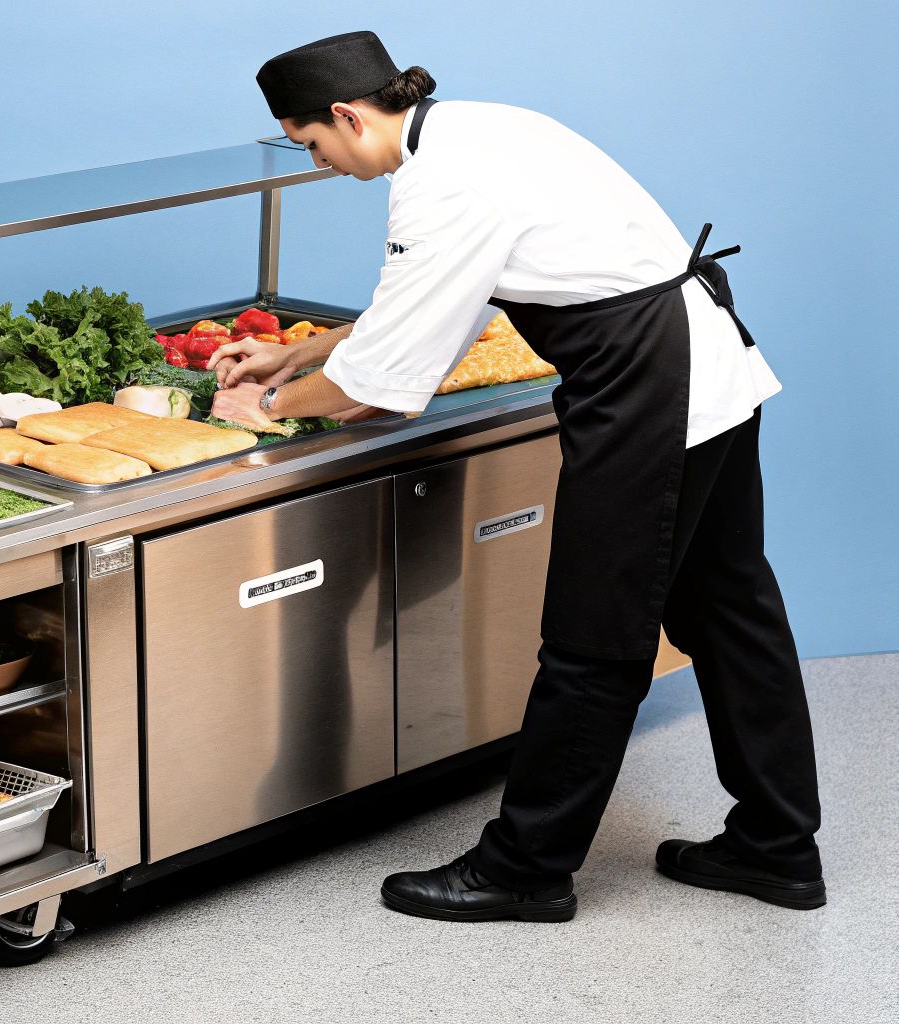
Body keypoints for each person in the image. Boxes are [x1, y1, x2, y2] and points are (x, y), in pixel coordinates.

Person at [213, 31, 824, 922]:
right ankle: (778, 846)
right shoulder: (479, 128)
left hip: (647, 390)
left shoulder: (438, 185)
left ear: (346, 115)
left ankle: (527, 867)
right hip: (708, 369)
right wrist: (301, 348)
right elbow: (431, 310)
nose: (319, 165)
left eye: (312, 145)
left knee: (593, 639)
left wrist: (262, 409)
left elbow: (382, 391)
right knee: (729, 609)